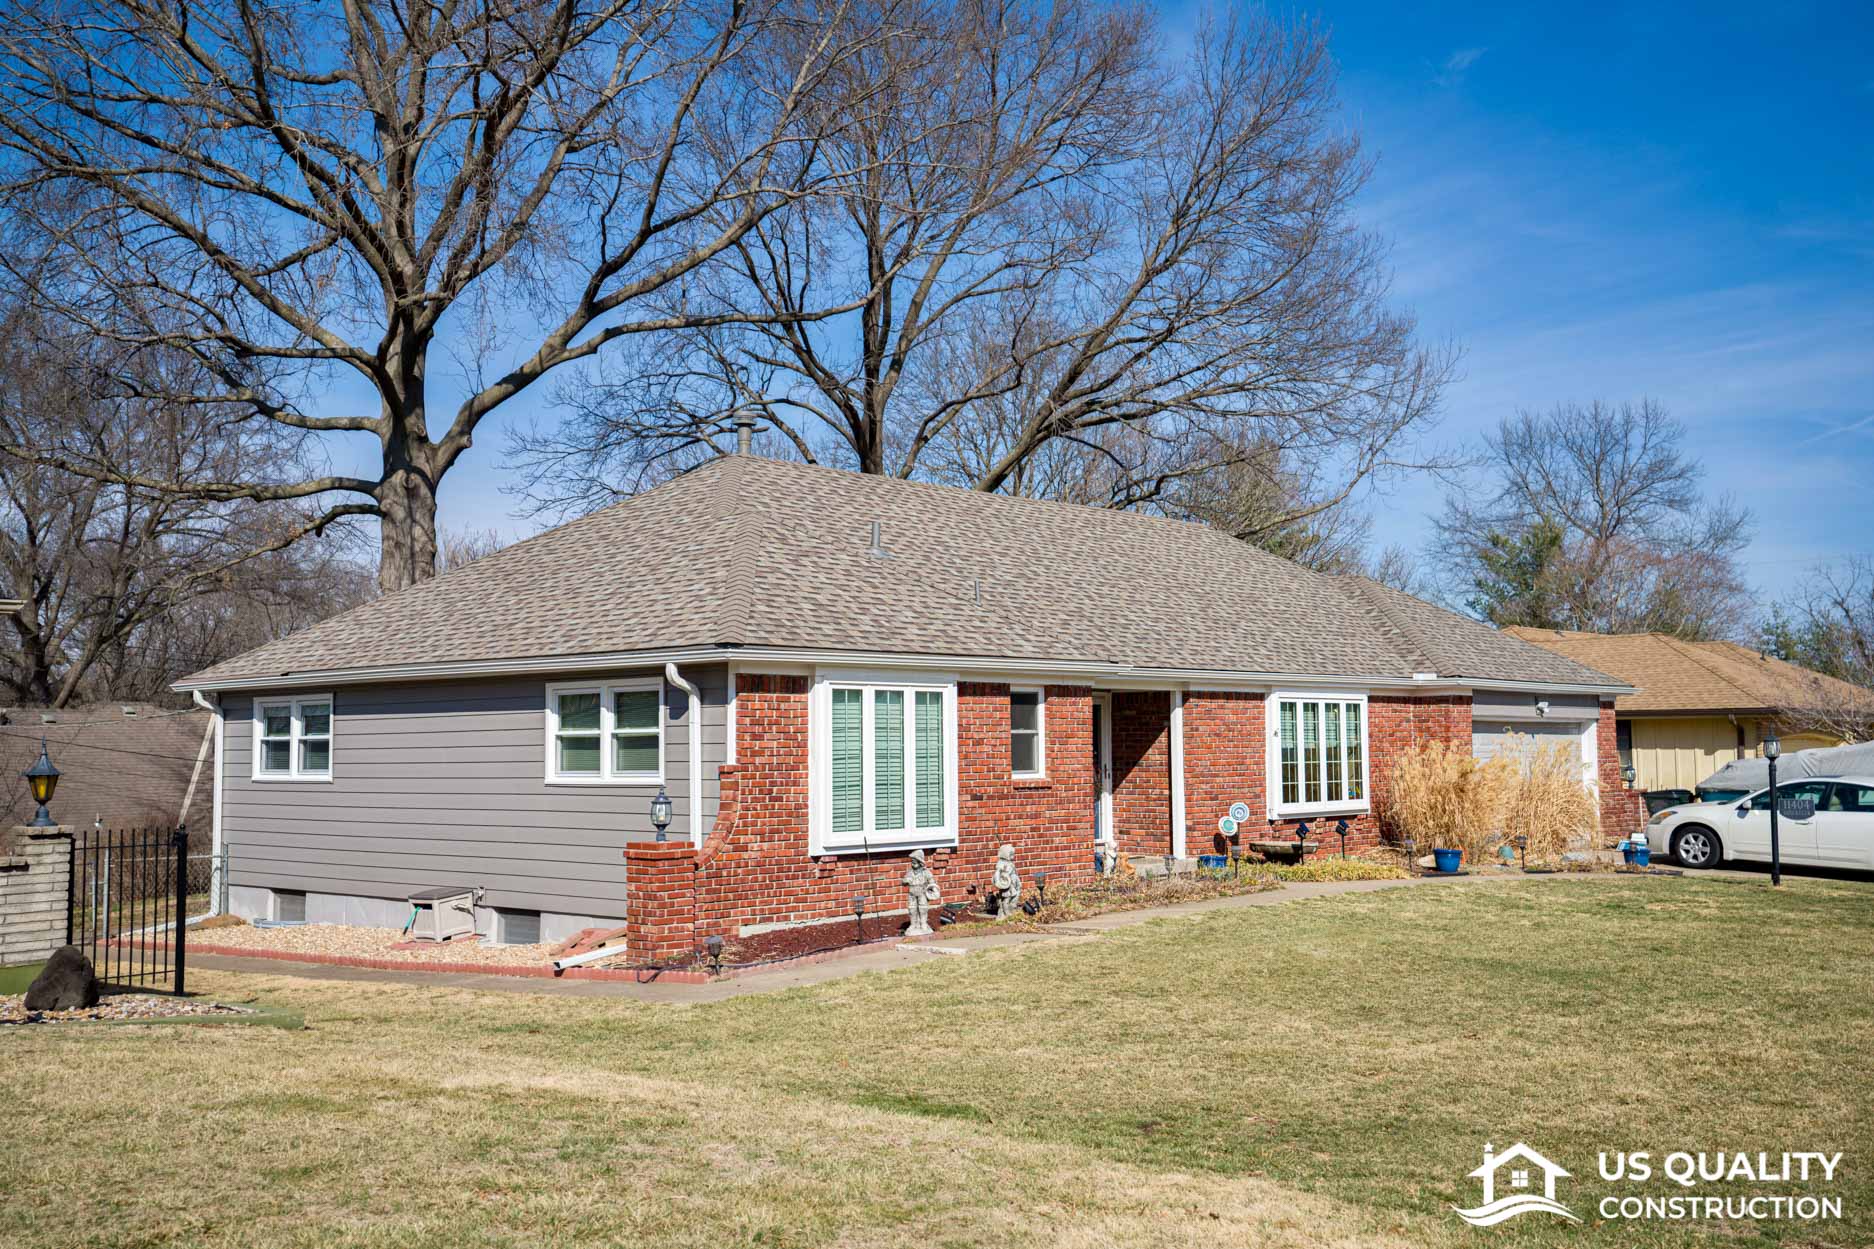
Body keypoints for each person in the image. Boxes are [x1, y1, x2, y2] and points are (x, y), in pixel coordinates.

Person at [903, 849, 941, 936]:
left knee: (923, 908)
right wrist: (906, 881)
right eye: (912, 862)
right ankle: (913, 925)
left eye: (914, 861)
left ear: (920, 862)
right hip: (912, 893)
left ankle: (923, 923)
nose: (913, 863)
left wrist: (934, 890)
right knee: (912, 909)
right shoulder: (910, 873)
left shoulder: (926, 872)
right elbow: (903, 882)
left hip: (922, 893)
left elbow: (932, 882)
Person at [990, 843, 1022, 920]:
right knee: (1006, 899)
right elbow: (998, 875)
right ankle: (1006, 913)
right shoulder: (1001, 864)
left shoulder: (1010, 863)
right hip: (1007, 885)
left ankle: (1012, 910)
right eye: (1011, 855)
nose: (1013, 857)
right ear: (1005, 855)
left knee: (1014, 897)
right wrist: (1000, 882)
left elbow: (1015, 872)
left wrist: (1018, 882)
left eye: (1013, 854)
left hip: (1013, 884)